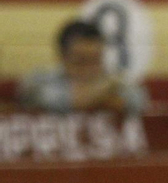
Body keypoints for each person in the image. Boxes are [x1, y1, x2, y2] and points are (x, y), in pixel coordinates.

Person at [16, 20, 147, 117]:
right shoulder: (39, 81)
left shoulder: (116, 80)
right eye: (81, 62)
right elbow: (62, 102)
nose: (89, 70)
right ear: (62, 57)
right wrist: (105, 91)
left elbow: (137, 101)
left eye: (95, 61)